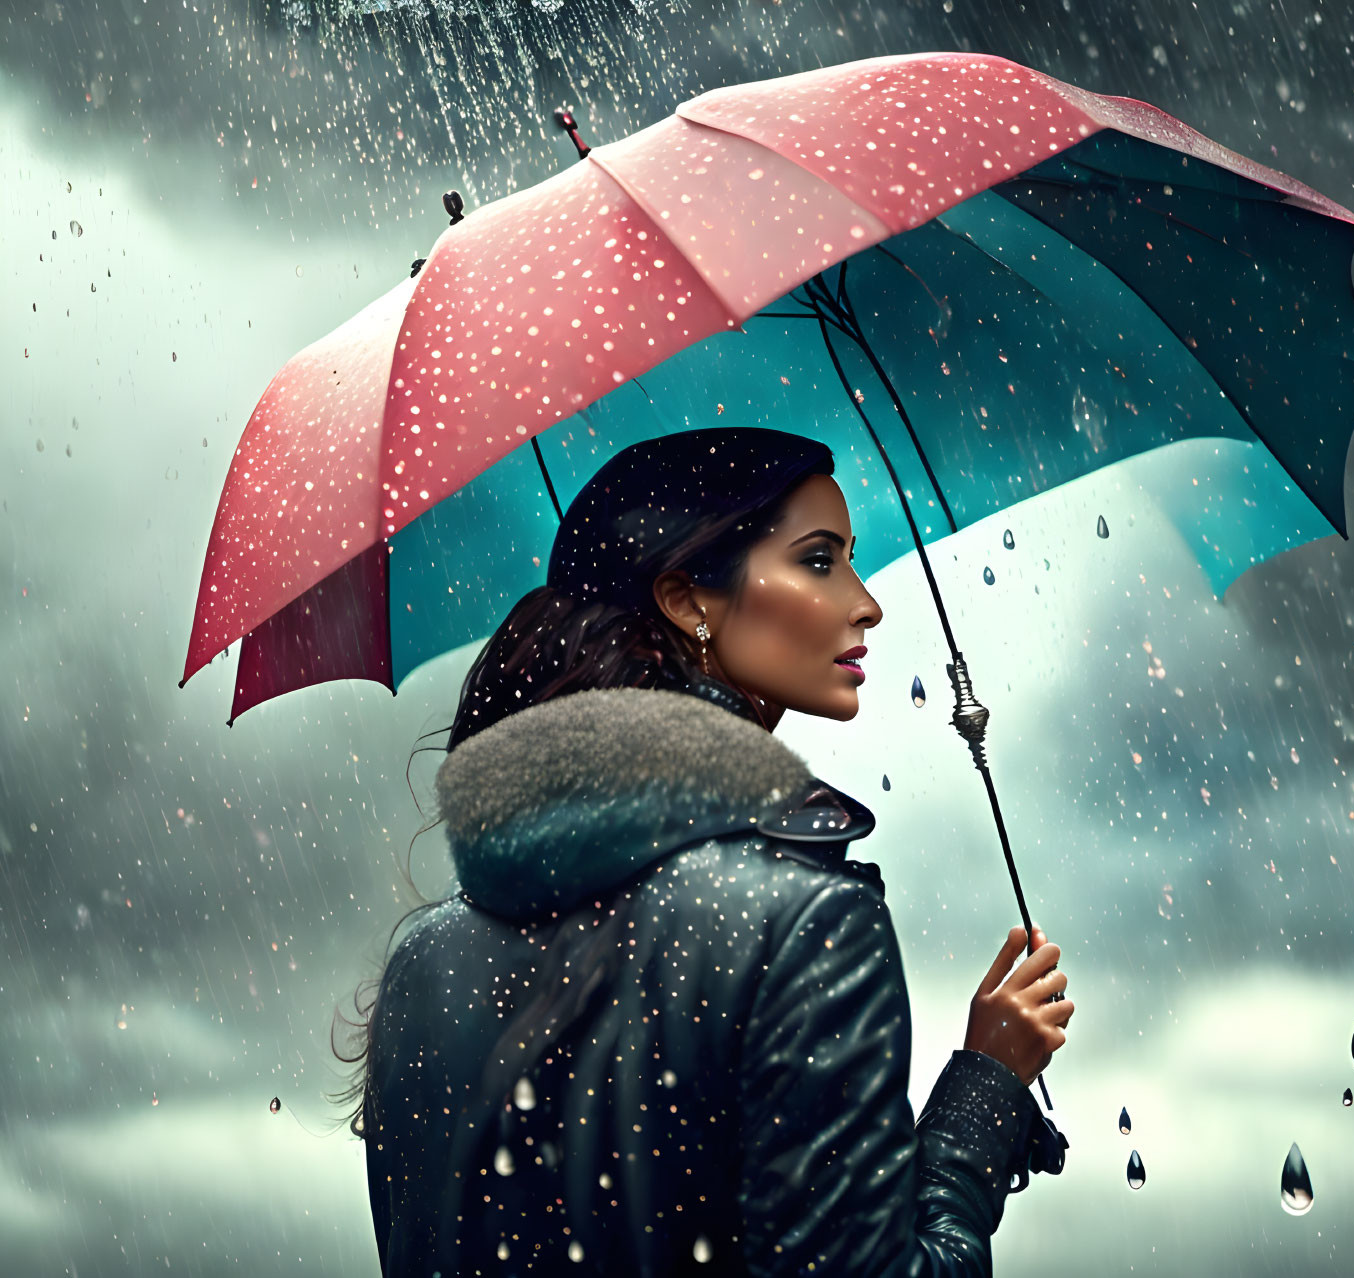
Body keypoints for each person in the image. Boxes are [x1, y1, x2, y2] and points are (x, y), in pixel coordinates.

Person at [337, 427, 1073, 1275]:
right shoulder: (793, 922)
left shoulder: (425, 962)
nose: (866, 603)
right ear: (687, 601)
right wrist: (983, 1093)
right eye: (820, 560)